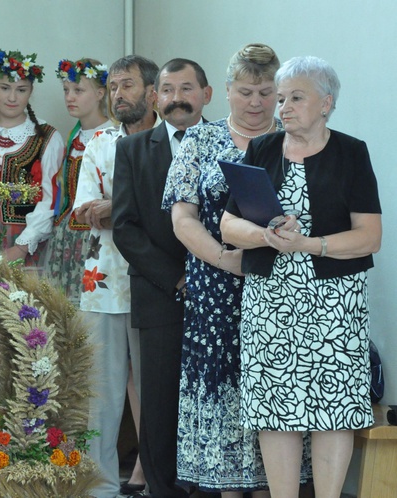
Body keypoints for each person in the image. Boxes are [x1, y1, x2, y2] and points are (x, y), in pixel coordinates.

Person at [220, 56, 381, 498]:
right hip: (270, 299)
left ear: (326, 103)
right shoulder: (262, 150)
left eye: (296, 97)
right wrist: (265, 236)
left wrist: (309, 244)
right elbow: (228, 226)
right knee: (274, 411)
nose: (282, 107)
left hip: (334, 301)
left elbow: (370, 237)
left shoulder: (351, 152)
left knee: (334, 408)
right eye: (281, 97)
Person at [161, 43, 285, 497]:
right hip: (216, 285)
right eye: (246, 91)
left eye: (267, 92)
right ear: (227, 91)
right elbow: (182, 218)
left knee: (274, 392)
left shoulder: (293, 140)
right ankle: (228, 488)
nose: (256, 102)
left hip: (281, 288)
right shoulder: (199, 139)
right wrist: (225, 259)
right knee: (225, 393)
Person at [113, 58, 212, 498]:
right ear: (156, 97)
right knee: (159, 402)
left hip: (223, 294)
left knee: (214, 397)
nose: (177, 99)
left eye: (187, 89)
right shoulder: (133, 150)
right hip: (160, 293)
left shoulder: (229, 142)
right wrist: (177, 279)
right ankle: (163, 489)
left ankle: (214, 487)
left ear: (207, 94)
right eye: (168, 90)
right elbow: (125, 227)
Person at [73, 55, 160, 498]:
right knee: (100, 391)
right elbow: (83, 210)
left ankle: (152, 477)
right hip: (102, 280)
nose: (118, 94)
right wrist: (125, 210)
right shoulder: (100, 143)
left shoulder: (171, 140)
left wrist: (118, 208)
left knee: (154, 387)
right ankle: (100, 484)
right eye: (112, 87)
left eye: (127, 85)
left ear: (151, 90)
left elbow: (171, 213)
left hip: (155, 280)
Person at [0, 49, 64, 268]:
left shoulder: (47, 137)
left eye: (21, 90)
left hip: (29, 243)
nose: (12, 98)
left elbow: (50, 199)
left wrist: (21, 246)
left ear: (31, 91)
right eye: (4, 88)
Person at [45, 58, 112, 305]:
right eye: (66, 91)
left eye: (78, 90)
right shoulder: (72, 138)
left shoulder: (113, 135)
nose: (70, 97)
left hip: (97, 236)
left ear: (100, 93)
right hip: (67, 237)